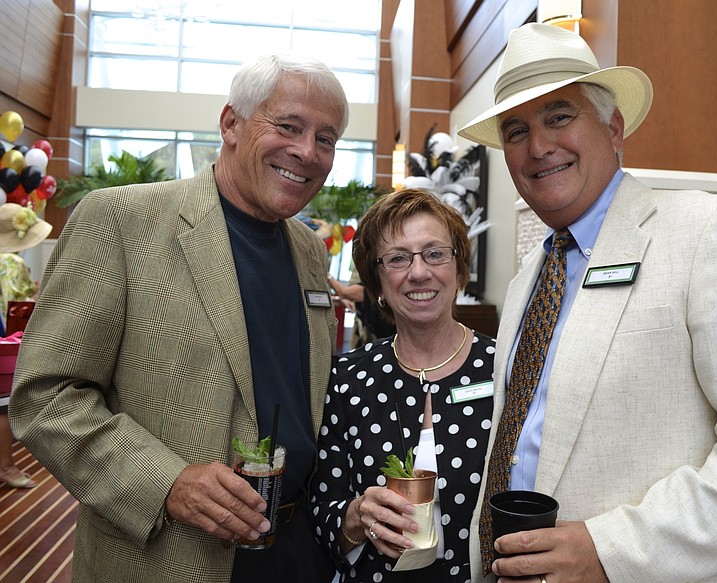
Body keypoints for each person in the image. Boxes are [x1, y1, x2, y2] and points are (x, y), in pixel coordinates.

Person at [456, 23, 717, 583]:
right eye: (516, 131)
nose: (538, 147)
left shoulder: (711, 231)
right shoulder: (526, 282)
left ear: (613, 127)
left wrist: (611, 551)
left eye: (559, 116)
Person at [9, 53, 348, 583]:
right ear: (230, 124)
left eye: (326, 139)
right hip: (169, 559)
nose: (306, 152)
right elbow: (45, 397)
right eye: (288, 126)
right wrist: (166, 482)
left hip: (297, 548)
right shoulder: (118, 221)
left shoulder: (309, 250)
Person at [311, 188, 496, 582]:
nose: (418, 272)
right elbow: (322, 514)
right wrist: (357, 517)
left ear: (459, 268)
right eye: (397, 258)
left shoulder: (504, 370)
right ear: (376, 282)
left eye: (434, 253)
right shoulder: (348, 379)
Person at [0, 202, 51, 489]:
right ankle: (6, 465)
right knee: (5, 404)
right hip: (7, 340)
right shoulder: (12, 263)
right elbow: (15, 308)